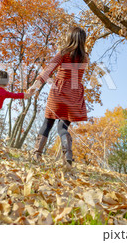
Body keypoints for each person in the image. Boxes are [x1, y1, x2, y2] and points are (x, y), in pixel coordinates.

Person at [28, 26, 89, 166]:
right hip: (74, 94)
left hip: (59, 92)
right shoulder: (85, 58)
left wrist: (34, 87)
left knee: (47, 123)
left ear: (70, 38)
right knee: (62, 128)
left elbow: (47, 71)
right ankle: (67, 155)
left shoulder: (63, 53)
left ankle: (36, 155)